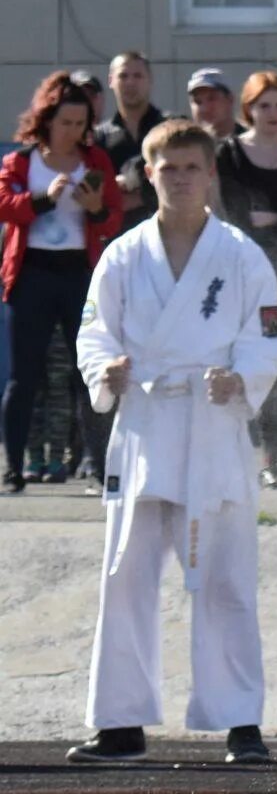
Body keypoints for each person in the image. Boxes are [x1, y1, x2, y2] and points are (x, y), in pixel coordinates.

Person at [68, 117, 277, 764]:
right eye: (169, 168)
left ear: (211, 174)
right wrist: (105, 369)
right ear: (148, 174)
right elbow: (94, 331)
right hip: (145, 417)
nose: (182, 178)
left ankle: (240, 718)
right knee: (126, 575)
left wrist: (242, 379)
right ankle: (121, 722)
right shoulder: (123, 255)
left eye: (193, 167)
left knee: (225, 577)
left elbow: (265, 333)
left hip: (212, 423)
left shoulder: (242, 255)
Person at [1, 72, 122, 493]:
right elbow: (6, 207)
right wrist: (43, 198)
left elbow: (113, 217)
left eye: (80, 123)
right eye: (65, 121)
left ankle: (98, 462)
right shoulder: (20, 162)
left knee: (86, 371)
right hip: (31, 274)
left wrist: (93, 209)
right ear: (46, 119)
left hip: (77, 274)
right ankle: (12, 466)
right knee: (24, 376)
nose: (73, 131)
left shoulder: (96, 163)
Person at [213, 71, 277, 488]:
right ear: (248, 110)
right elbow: (231, 214)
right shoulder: (229, 155)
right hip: (239, 278)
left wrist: (273, 219)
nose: (272, 113)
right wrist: (268, 219)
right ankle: (232, 453)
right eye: (263, 105)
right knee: (231, 361)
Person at [98, 51, 164, 235]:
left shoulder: (170, 128)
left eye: (138, 76)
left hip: (165, 235)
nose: (130, 82)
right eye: (123, 76)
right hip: (116, 239)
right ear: (111, 81)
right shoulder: (99, 137)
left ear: (149, 80)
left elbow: (181, 179)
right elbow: (95, 191)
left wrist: (139, 197)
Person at [185, 69, 236, 141]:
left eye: (212, 99)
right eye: (197, 101)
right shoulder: (184, 146)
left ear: (230, 100)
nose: (204, 108)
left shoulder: (251, 143)